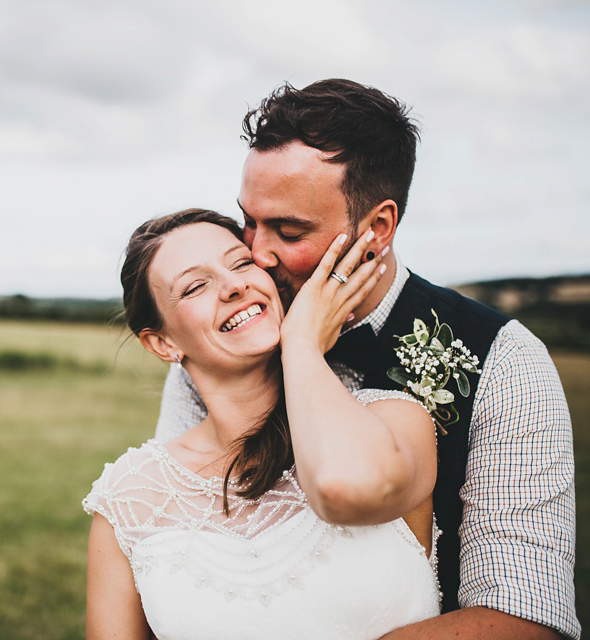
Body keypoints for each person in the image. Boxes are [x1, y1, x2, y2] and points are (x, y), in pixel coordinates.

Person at [155, 79, 578, 638]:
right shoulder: (223, 348)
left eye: (288, 230)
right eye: (249, 221)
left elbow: (523, 618)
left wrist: (301, 344)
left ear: (377, 228)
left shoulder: (504, 357)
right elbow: (178, 548)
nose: (256, 254)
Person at [84, 208, 441, 639]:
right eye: (196, 286)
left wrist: (302, 344)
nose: (234, 286)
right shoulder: (129, 500)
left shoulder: (394, 420)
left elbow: (351, 486)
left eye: (241, 262)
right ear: (162, 343)